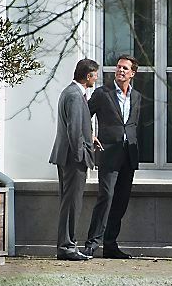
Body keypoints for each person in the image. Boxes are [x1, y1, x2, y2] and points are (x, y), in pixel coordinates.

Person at [84, 54, 141, 259]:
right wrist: (90, 135)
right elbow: (84, 115)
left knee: (121, 201)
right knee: (106, 197)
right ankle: (92, 243)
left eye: (125, 68)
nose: (120, 71)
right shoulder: (102, 93)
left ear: (132, 73)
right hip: (109, 154)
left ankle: (110, 244)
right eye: (118, 67)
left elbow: (133, 125)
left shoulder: (136, 96)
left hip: (129, 155)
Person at [48, 59, 100, 261]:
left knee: (69, 202)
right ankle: (67, 247)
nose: (96, 78)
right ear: (88, 76)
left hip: (67, 155)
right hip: (72, 158)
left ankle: (67, 245)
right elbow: (75, 130)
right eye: (95, 75)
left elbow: (77, 127)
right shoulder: (75, 96)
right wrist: (81, 156)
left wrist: (91, 138)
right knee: (72, 203)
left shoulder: (70, 92)